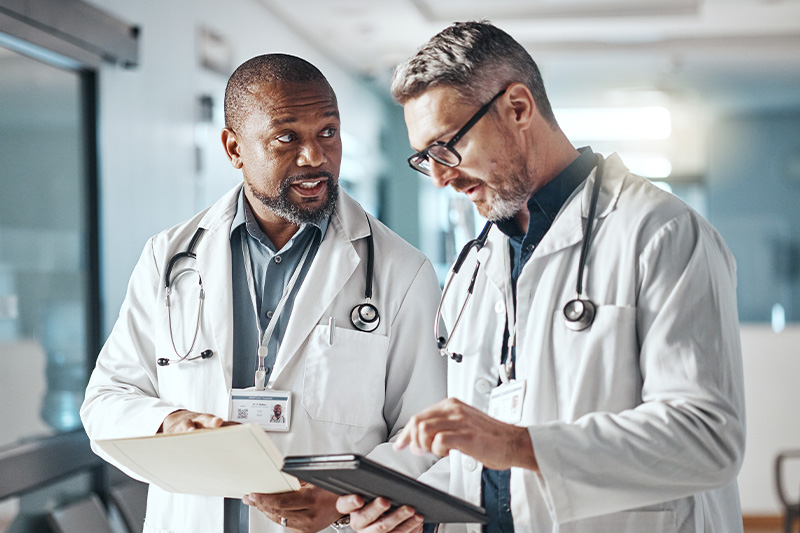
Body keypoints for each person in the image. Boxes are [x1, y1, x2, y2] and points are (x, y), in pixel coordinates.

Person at [338, 21, 745, 533]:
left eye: (447, 146)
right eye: (425, 158)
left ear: (518, 107)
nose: (440, 176)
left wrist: (517, 444)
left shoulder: (661, 233)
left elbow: (707, 440)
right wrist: (407, 505)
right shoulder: (475, 266)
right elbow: (480, 464)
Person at [80, 53, 446, 533]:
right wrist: (169, 423)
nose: (314, 156)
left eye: (328, 133)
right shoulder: (168, 258)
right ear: (234, 148)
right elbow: (107, 399)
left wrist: (345, 497)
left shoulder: (402, 271)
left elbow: (427, 434)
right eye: (287, 137)